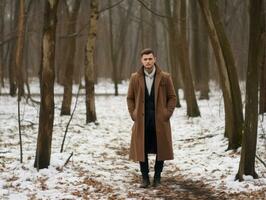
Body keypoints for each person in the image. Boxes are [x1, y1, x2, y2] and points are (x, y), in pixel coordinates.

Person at [127, 48, 177, 188]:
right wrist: (133, 113)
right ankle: (144, 178)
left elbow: (172, 97)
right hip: (142, 121)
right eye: (145, 59)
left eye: (150, 58)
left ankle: (157, 177)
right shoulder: (135, 78)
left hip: (160, 121)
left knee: (161, 149)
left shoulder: (165, 77)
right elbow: (130, 98)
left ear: (155, 59)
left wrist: (167, 113)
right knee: (141, 149)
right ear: (141, 61)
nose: (148, 61)